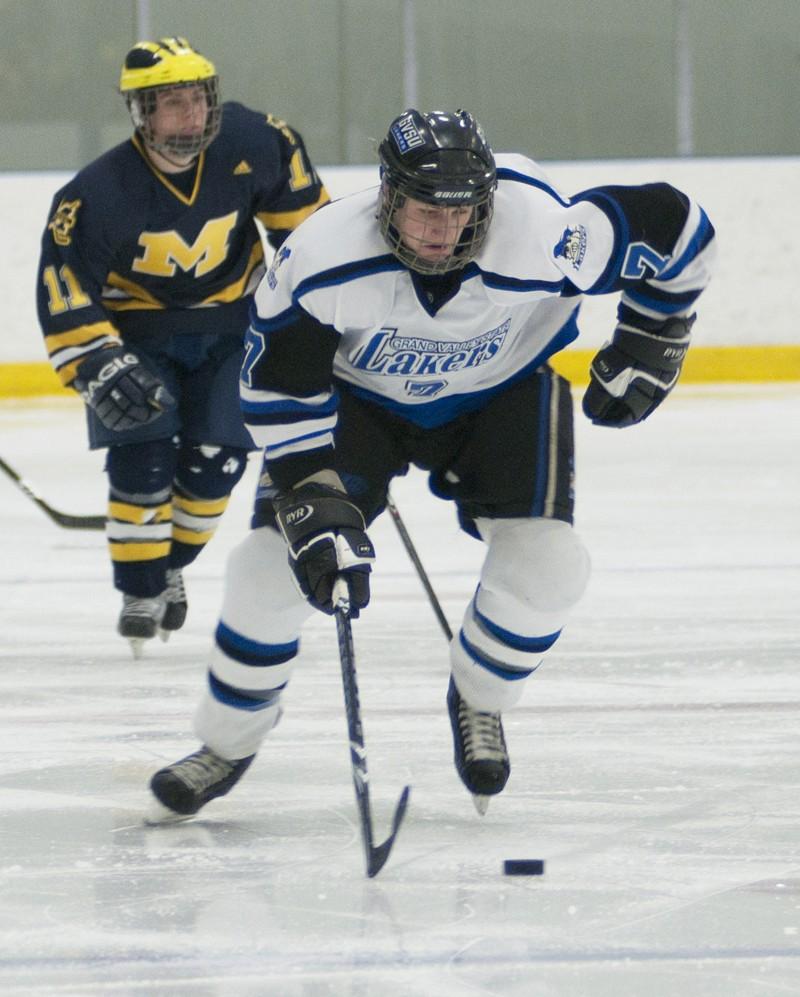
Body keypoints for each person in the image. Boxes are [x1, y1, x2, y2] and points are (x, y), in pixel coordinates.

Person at [147, 107, 716, 819]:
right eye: (423, 210)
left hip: (502, 393)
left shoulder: (546, 236)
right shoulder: (323, 256)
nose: (441, 231)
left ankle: (480, 697)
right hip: (360, 404)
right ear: (388, 195)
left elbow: (679, 228)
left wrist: (654, 332)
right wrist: (312, 496)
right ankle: (226, 744)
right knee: (266, 569)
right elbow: (280, 388)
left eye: (461, 211)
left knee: (551, 564)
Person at [36, 37, 329, 656]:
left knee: (216, 466)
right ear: (142, 113)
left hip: (234, 329)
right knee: (141, 457)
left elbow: (314, 243)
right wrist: (94, 359)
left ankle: (170, 565)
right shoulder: (96, 194)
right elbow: (66, 287)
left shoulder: (258, 143)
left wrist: (328, 318)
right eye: (172, 105)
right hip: (139, 336)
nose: (191, 116)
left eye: (197, 100)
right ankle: (141, 589)